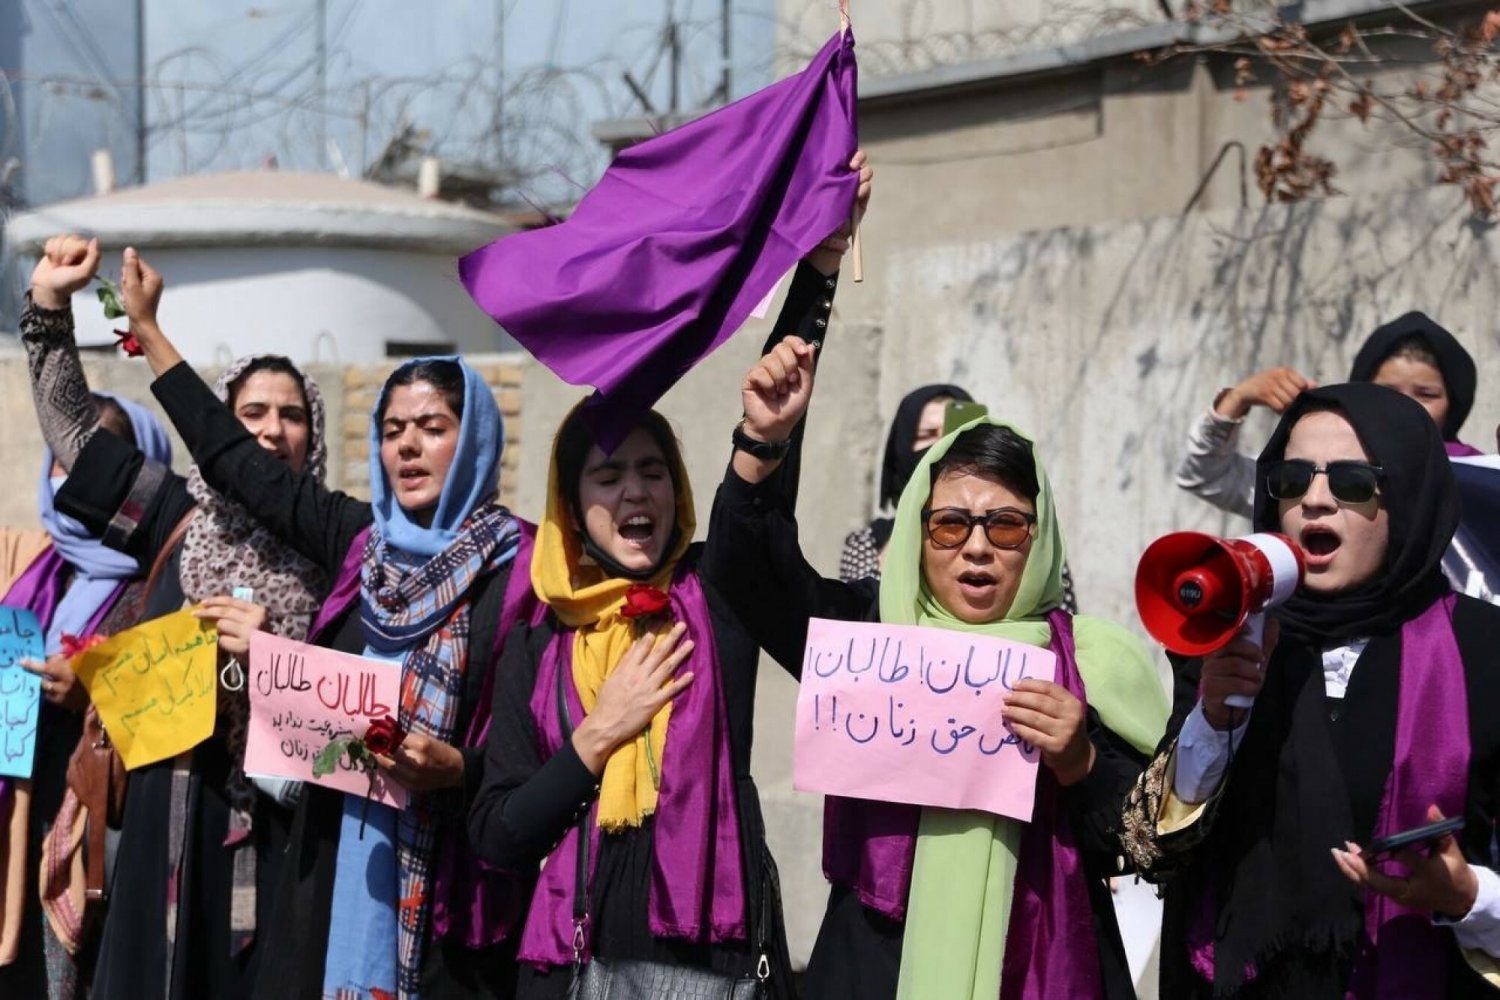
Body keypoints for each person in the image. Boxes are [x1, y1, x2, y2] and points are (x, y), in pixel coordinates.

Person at [105, 252, 535, 1000]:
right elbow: (237, 461)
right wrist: (148, 331)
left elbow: (534, 743)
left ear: (472, 441)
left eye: (431, 427)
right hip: (329, 877)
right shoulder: (359, 542)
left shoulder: (523, 569)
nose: (406, 445)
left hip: (452, 900)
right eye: (393, 428)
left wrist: (458, 770)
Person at [708, 334, 1169, 999]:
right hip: (876, 964)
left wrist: (1082, 762)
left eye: (1005, 526)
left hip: (1044, 967)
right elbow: (744, 573)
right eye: (950, 525)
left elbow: (1152, 844)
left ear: (1040, 539)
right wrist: (761, 441)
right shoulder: (872, 641)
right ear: (919, 537)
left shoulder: (1094, 663)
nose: (976, 549)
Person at [1122, 382, 1500, 998]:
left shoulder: (1482, 650)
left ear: (1406, 494)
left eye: (1352, 482)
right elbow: (1151, 843)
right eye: (1292, 479)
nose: (1315, 501)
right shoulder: (1227, 632)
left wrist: (1466, 896)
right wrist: (1214, 719)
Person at [21, 235, 323, 1000]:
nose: (270, 429)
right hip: (165, 821)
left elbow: (351, 733)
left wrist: (277, 660)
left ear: (312, 441)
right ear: (220, 429)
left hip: (286, 840)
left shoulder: (341, 553)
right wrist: (51, 308)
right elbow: (77, 441)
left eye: (293, 416)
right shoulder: (175, 518)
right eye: (250, 411)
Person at [0, 391, 171, 999]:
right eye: (63, 457)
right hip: (15, 816)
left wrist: (96, 689)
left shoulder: (164, 580)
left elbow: (183, 698)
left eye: (101, 457)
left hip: (96, 830)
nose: (77, 476)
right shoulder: (23, 564)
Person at [1176, 312, 1482, 518]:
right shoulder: (1316, 479)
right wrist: (1237, 399)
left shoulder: (1479, 481)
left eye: (1426, 395)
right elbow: (1207, 476)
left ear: (1453, 405)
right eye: (1387, 392)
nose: (1405, 407)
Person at [840, 384, 1081, 613]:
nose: (977, 547)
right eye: (929, 434)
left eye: (1006, 524)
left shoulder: (1036, 540)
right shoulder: (868, 542)